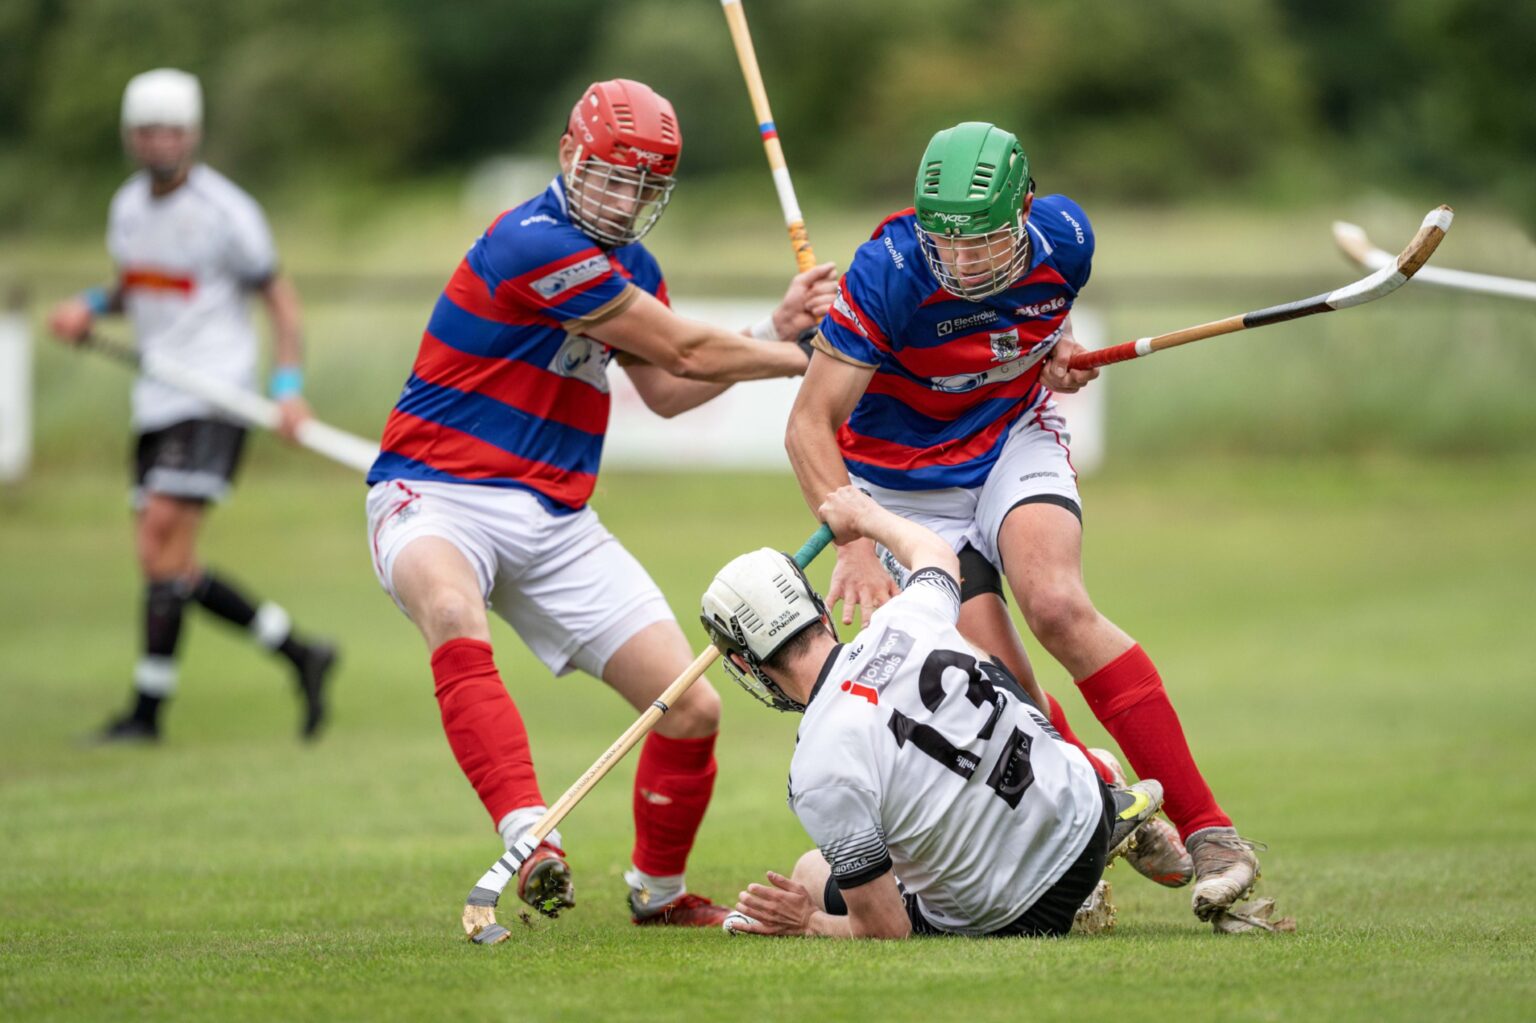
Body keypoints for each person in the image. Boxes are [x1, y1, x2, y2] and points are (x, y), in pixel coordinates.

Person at [364, 79, 837, 928]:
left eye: (643, 187)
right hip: (434, 490)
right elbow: (687, 350)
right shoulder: (531, 241)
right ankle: (529, 832)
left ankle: (657, 895)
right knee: (449, 606)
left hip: (556, 519)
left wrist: (776, 335)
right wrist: (824, 354)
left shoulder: (633, 267)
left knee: (691, 706)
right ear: (568, 156)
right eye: (610, 177)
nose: (622, 200)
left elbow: (665, 388)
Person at [785, 121, 1259, 921]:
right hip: (903, 489)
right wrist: (858, 545)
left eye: (984, 243)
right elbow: (807, 424)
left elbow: (1039, 331)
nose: (963, 262)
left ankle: (1212, 828)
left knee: (1057, 604)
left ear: (1027, 211)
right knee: (1003, 683)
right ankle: (1101, 797)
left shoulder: (1067, 238)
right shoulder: (890, 271)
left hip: (1007, 438)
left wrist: (1058, 349)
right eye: (948, 242)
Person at [701, 486, 1163, 938]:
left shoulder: (815, 768)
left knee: (809, 871)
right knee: (972, 654)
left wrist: (805, 922)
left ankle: (1053, 879)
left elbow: (885, 929)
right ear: (820, 609)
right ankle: (1095, 778)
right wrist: (865, 516)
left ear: (745, 663)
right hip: (1085, 818)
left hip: (1021, 912)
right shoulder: (905, 616)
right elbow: (936, 553)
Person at [47, 68, 336, 744]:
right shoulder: (126, 208)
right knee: (168, 564)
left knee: (157, 539)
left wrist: (287, 387)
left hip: (215, 395)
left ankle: (147, 715)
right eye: (147, 132)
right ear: (130, 137)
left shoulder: (228, 212)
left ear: (193, 134)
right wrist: (88, 306)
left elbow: (282, 303)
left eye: (171, 131)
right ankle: (299, 652)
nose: (159, 143)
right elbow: (137, 286)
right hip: (155, 397)